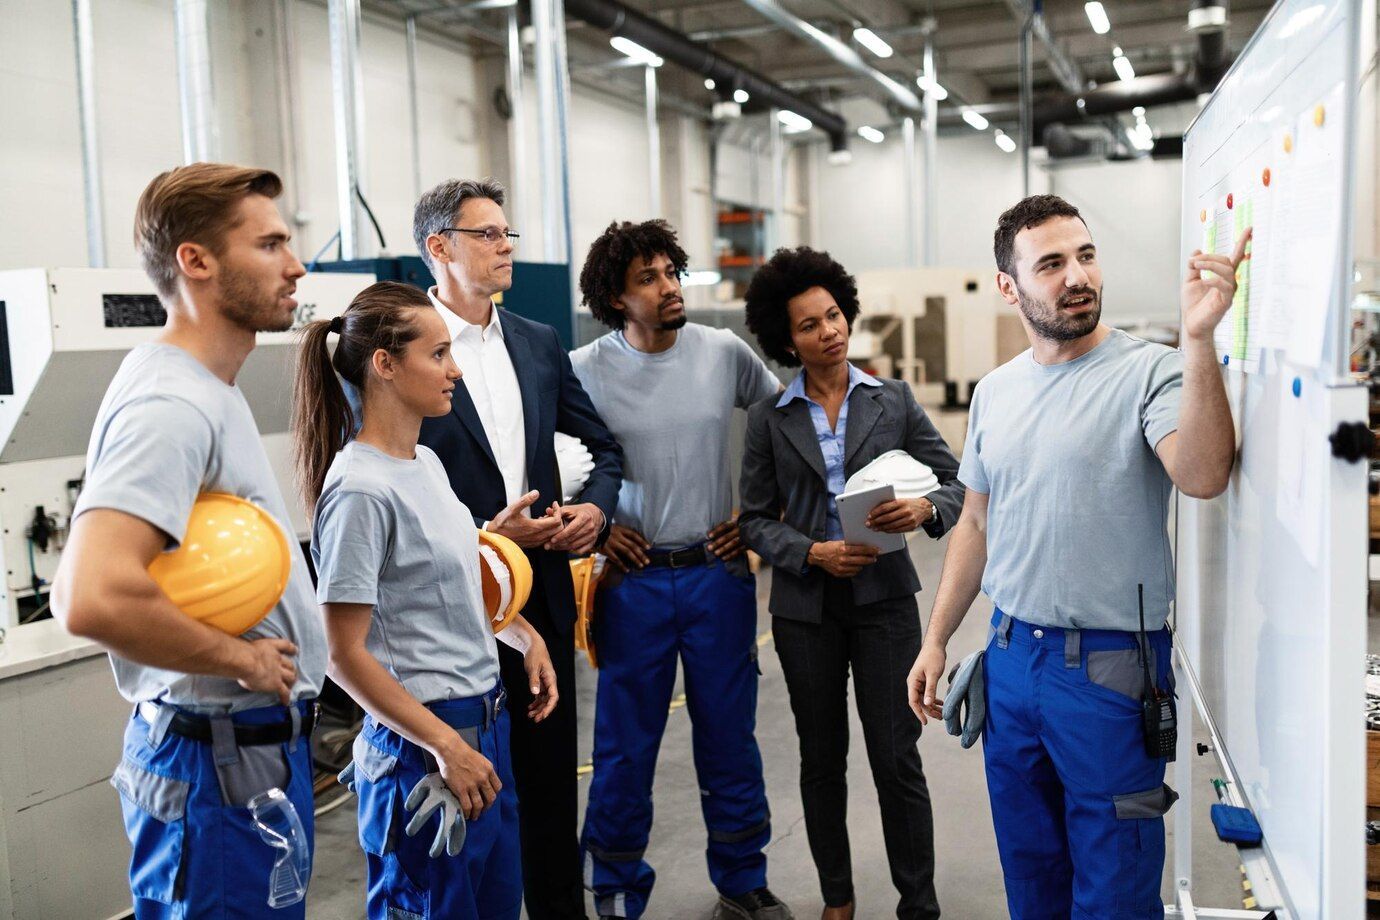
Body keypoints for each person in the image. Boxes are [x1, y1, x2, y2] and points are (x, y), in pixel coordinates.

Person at [907, 195, 1245, 919]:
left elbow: (1204, 474)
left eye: (1086, 256)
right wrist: (936, 639)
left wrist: (1199, 344)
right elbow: (972, 521)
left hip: (1110, 670)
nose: (1077, 276)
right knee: (1032, 878)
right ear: (1010, 286)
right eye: (1052, 264)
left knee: (1114, 887)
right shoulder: (996, 393)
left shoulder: (1149, 372)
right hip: (1009, 661)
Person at [50, 163, 325, 918]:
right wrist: (241, 658)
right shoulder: (172, 401)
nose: (296, 264)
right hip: (214, 764)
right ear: (196, 261)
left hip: (248, 755)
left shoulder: (210, 388)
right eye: (270, 245)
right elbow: (91, 594)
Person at [293, 280, 558, 920]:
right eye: (438, 354)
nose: (455, 369)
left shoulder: (426, 466)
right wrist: (445, 746)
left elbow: (462, 576)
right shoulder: (359, 490)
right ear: (385, 365)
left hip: (481, 735)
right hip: (428, 752)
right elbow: (340, 653)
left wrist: (526, 637)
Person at [412, 177, 623, 919]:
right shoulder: (404, 348)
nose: (507, 247)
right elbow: (390, 475)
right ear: (440, 248)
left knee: (545, 793)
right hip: (444, 612)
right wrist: (483, 540)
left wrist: (593, 514)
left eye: (508, 234)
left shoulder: (536, 342)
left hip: (541, 598)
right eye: (488, 235)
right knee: (461, 803)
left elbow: (603, 447)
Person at [569, 220, 789, 920]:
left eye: (671, 272)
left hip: (717, 575)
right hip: (630, 585)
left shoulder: (723, 352)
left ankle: (741, 879)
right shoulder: (583, 369)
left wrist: (757, 516)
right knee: (625, 748)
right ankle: (614, 884)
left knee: (729, 737)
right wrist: (600, 537)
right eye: (649, 278)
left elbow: (787, 423)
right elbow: (558, 466)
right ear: (614, 298)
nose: (668, 287)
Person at [737, 247, 964, 920]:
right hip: (807, 610)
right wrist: (812, 553)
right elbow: (753, 520)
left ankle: (917, 903)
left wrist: (925, 510)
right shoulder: (769, 418)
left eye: (833, 315)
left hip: (886, 602)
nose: (828, 331)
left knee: (896, 757)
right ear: (788, 340)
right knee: (821, 760)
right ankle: (838, 898)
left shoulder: (890, 401)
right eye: (809, 325)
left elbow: (954, 481)